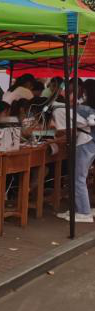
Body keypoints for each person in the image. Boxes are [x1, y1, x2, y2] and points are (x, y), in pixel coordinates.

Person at [53, 79, 95, 223]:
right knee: (78, 178)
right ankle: (78, 209)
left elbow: (66, 120)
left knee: (78, 178)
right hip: (89, 144)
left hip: (85, 143)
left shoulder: (84, 109)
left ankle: (83, 212)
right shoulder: (88, 108)